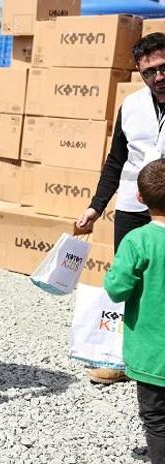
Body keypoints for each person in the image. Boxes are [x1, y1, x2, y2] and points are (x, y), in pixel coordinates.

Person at [76, 32, 165, 385]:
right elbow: (115, 161)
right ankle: (121, 359)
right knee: (127, 281)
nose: (158, 76)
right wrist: (96, 207)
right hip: (133, 204)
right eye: (149, 72)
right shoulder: (131, 106)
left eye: (163, 67)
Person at [103, 159, 165, 464]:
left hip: (153, 355)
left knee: (155, 418)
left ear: (140, 198)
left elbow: (117, 289)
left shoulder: (138, 240)